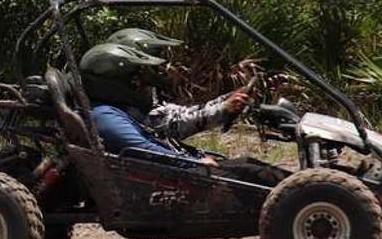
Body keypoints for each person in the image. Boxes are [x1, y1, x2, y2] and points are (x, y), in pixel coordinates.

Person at [78, 40, 285, 186]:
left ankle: (309, 190)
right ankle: (309, 195)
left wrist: (227, 101)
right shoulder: (105, 116)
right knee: (256, 174)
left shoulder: (123, 110)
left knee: (251, 166)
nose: (143, 85)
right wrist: (192, 162)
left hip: (181, 168)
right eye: (135, 80)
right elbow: (144, 150)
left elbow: (177, 119)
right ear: (114, 83)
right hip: (176, 177)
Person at [101, 28, 251, 140]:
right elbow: (173, 125)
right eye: (152, 63)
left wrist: (227, 99)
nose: (160, 69)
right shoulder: (122, 107)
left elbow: (175, 114)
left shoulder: (139, 94)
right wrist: (223, 108)